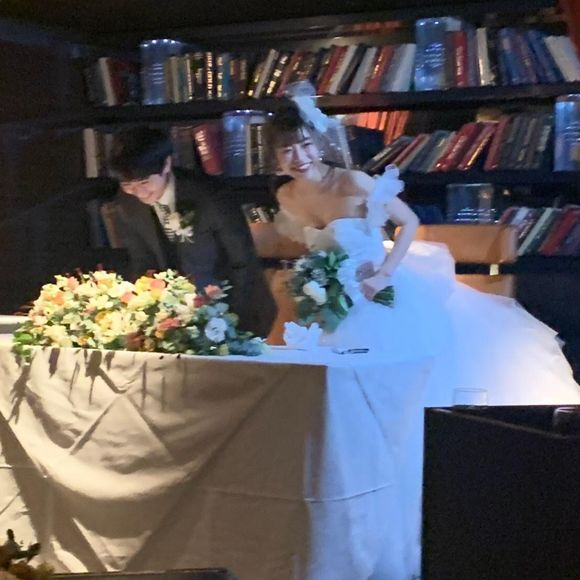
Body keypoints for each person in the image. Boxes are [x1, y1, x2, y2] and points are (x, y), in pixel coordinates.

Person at [267, 101, 580, 578]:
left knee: (400, 399)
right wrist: (317, 279)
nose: (299, 156)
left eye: (306, 145)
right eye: (287, 150)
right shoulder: (287, 196)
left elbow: (408, 223)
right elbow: (312, 248)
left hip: (380, 294)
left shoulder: (355, 182)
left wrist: (384, 272)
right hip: (331, 302)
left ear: (320, 143)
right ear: (275, 156)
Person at [108, 126, 276, 338]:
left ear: (166, 164)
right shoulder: (126, 203)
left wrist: (229, 321)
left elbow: (242, 262)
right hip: (171, 319)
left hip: (229, 309)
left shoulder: (211, 196)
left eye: (144, 182)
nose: (138, 193)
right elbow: (142, 262)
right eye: (128, 185)